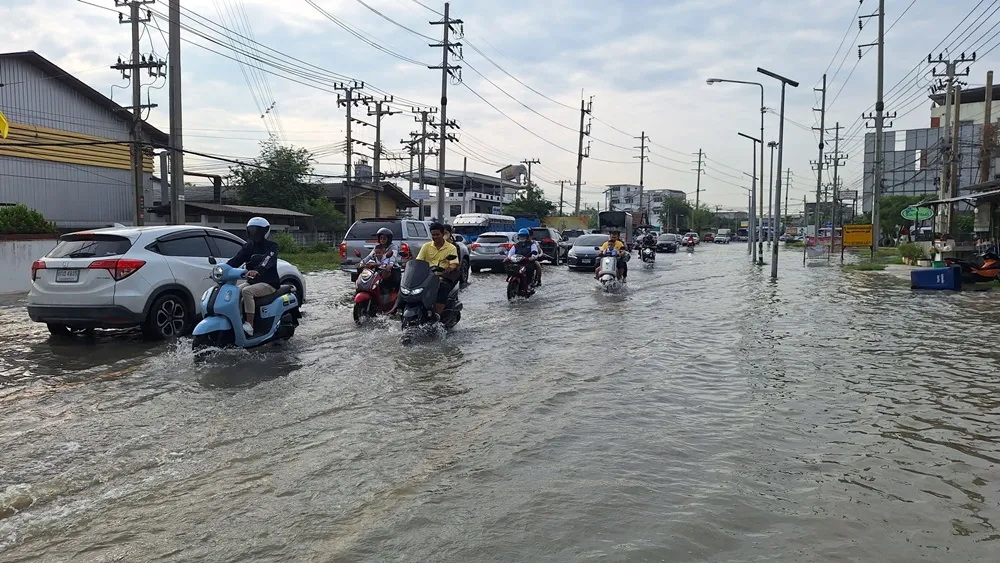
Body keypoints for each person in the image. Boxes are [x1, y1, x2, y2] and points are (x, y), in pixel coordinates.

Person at [227, 217, 279, 336]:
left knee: (247, 291)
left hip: (269, 283)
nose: (254, 234)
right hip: (253, 282)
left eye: (257, 231)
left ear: (265, 232)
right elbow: (236, 260)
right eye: (252, 230)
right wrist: (222, 269)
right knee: (234, 292)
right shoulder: (248, 246)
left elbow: (267, 260)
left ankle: (250, 324)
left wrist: (257, 270)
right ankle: (236, 321)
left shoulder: (272, 246)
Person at [415, 222, 461, 321]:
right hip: (428, 276)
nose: (435, 237)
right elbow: (419, 261)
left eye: (437, 235)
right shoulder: (426, 246)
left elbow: (454, 263)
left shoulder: (451, 248)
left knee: (442, 288)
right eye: (433, 235)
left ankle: (436, 315)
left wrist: (448, 268)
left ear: (442, 234)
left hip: (444, 276)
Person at [360, 227, 401, 295]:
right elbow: (370, 256)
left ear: (388, 239)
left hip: (392, 269)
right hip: (379, 268)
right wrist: (362, 262)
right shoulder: (377, 247)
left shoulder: (393, 247)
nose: (382, 240)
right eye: (381, 238)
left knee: (392, 283)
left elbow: (392, 257)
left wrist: (390, 265)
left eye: (384, 238)